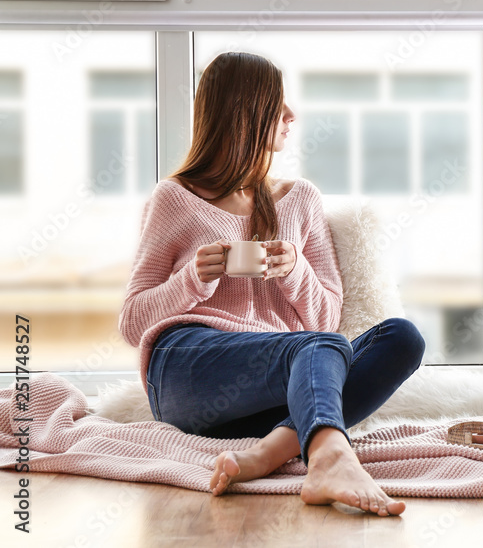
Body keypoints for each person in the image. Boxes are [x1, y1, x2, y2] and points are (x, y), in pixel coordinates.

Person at [118, 51, 424, 516]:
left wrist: (295, 271)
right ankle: (331, 456)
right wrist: (192, 280)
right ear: (242, 113)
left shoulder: (301, 199)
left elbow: (326, 319)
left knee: (402, 337)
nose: (290, 116)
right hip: (187, 369)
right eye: (276, 105)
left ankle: (266, 453)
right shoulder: (174, 199)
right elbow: (131, 321)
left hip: (274, 387)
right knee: (314, 348)